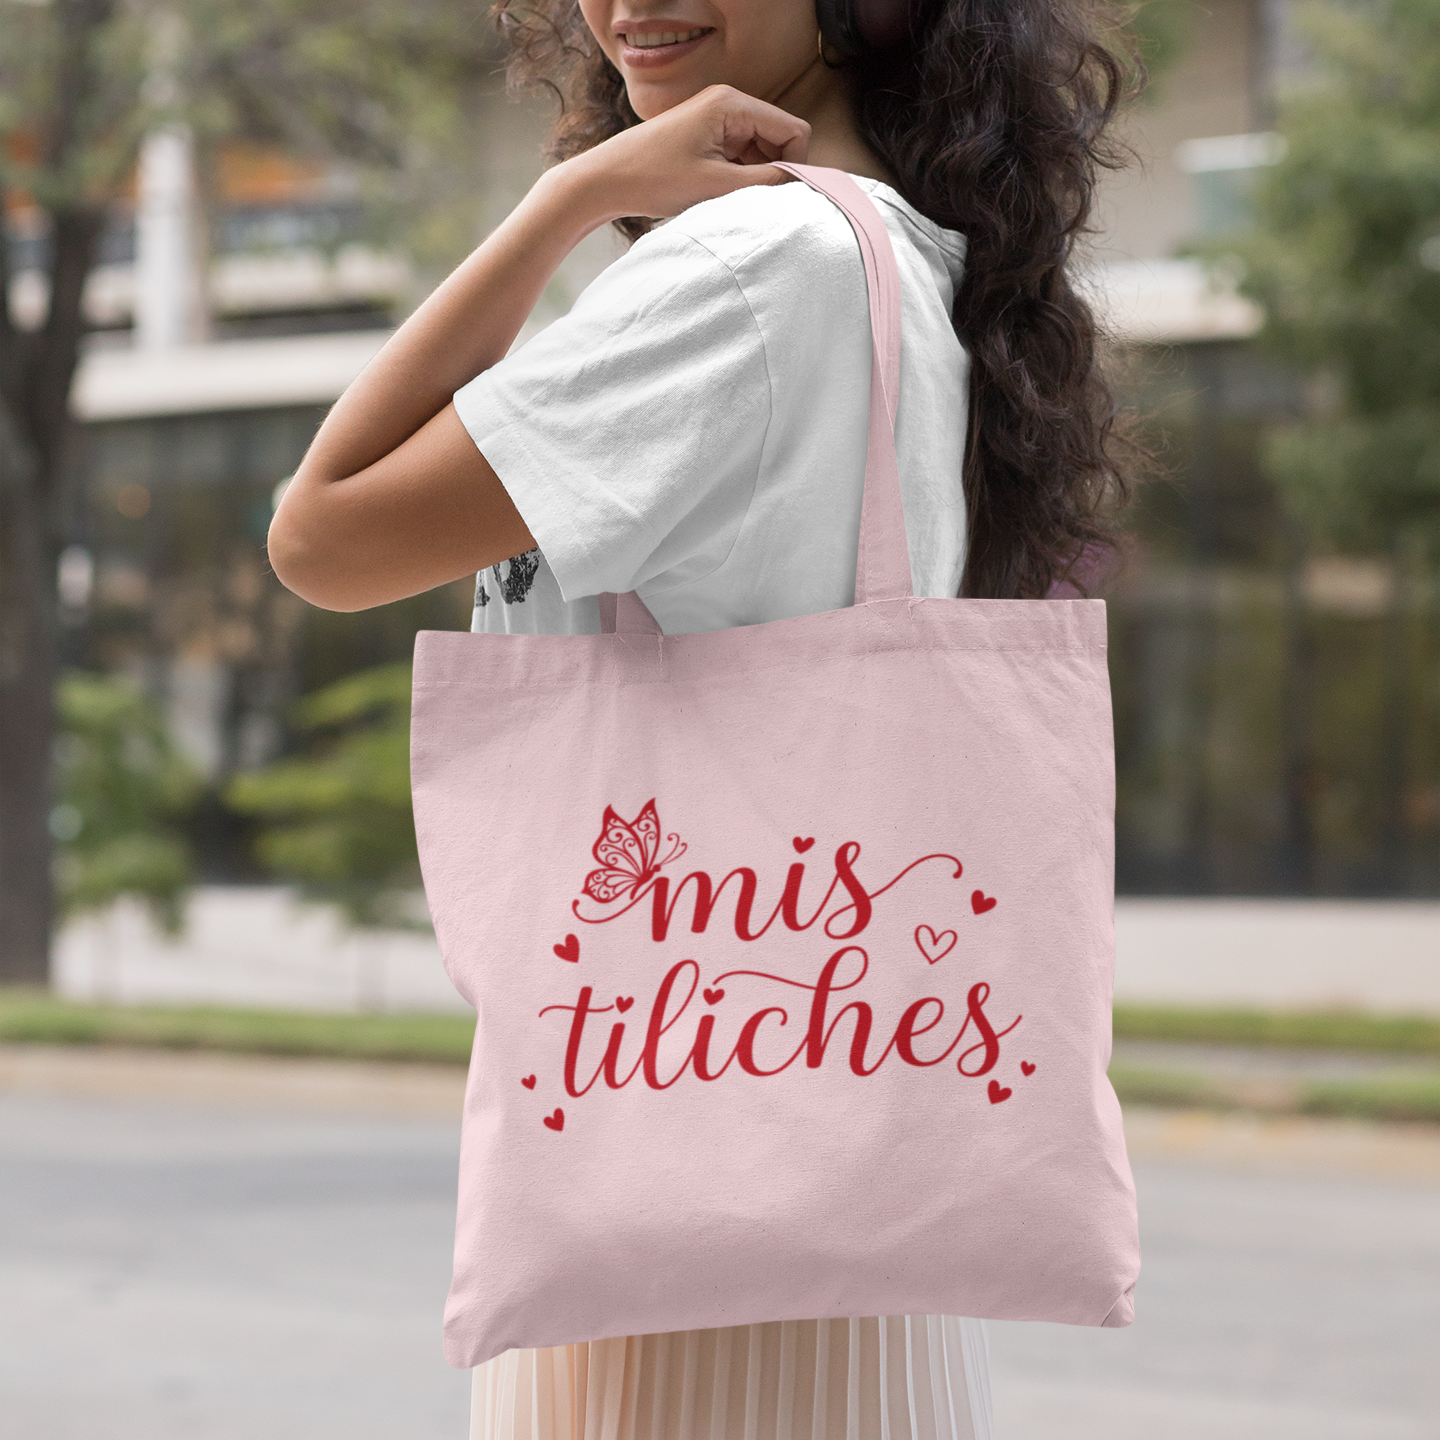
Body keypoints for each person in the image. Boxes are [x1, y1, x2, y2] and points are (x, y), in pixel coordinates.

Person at [268, 0, 1136, 1431]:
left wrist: (564, 203)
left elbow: (322, 534)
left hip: (685, 1265)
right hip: (832, 1232)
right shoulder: (898, 249)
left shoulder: (755, 267)